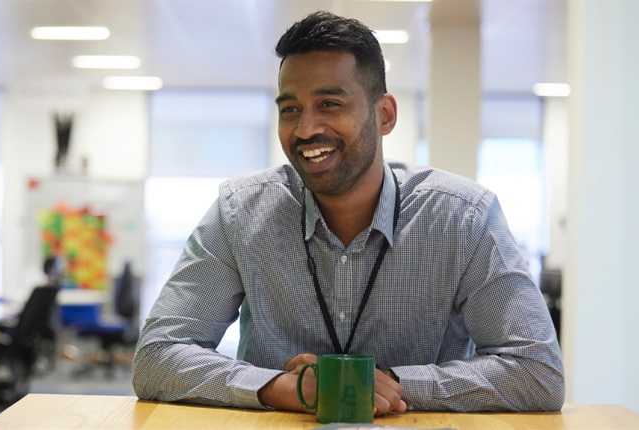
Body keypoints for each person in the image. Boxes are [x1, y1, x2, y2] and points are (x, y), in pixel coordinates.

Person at [132, 11, 564, 415]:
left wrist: (392, 385)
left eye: (330, 104)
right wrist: (285, 388)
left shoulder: (463, 218)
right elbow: (156, 357)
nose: (305, 129)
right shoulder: (239, 213)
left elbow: (538, 372)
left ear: (385, 115)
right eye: (290, 109)